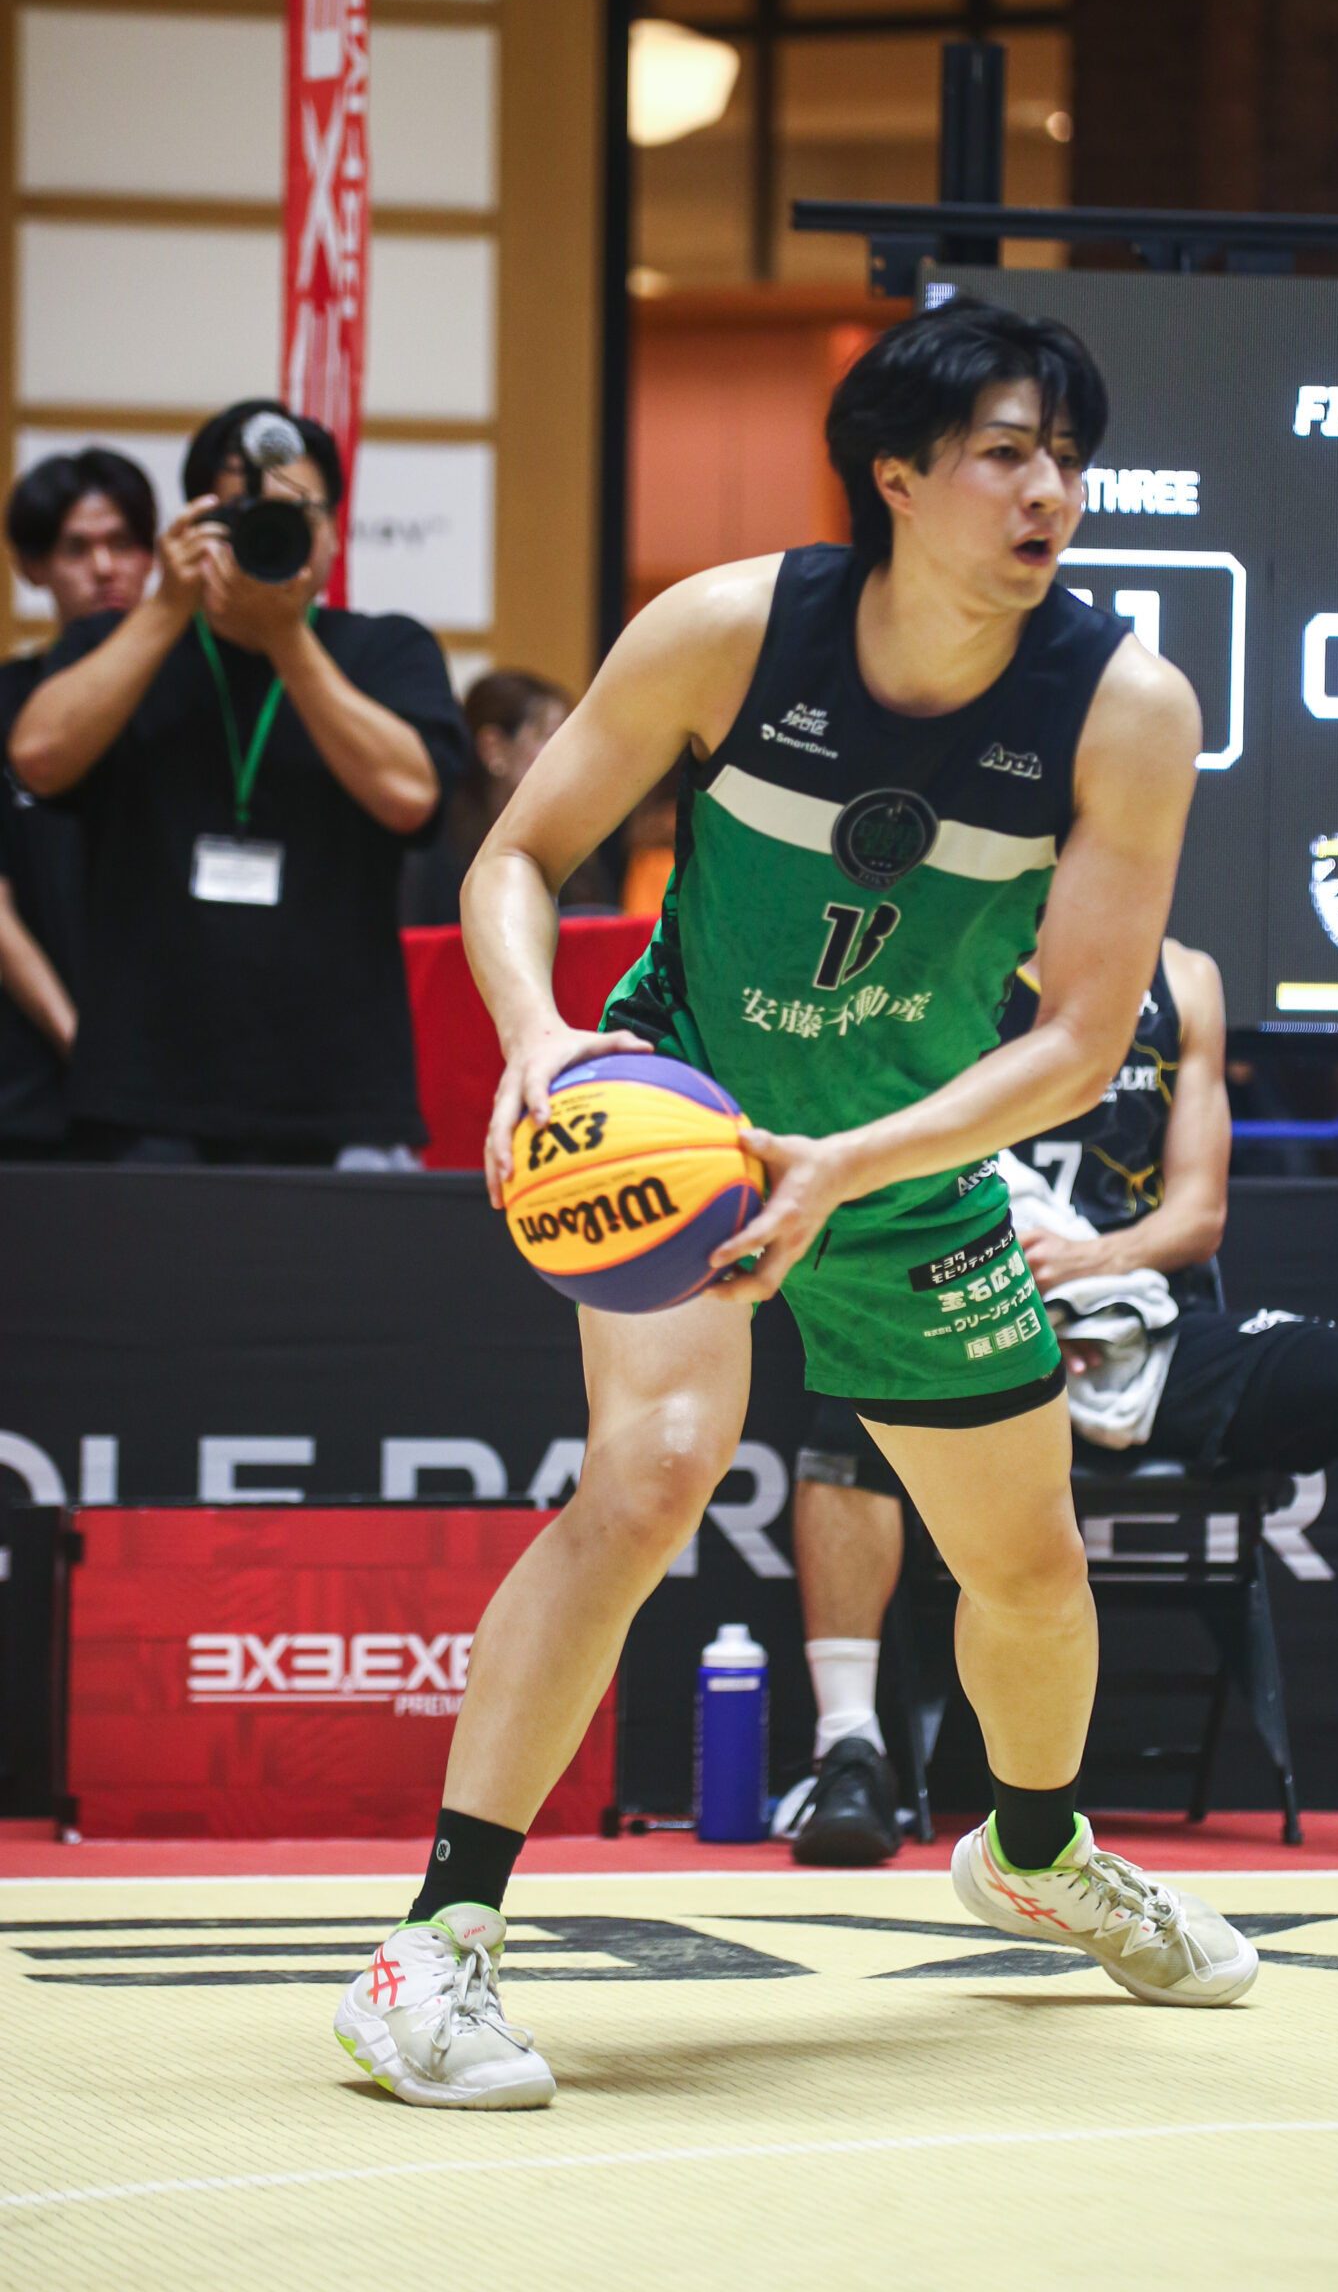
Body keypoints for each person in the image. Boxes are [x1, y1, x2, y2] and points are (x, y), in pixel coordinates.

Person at [331, 293, 1259, 2115]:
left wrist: (851, 1166)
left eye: (1067, 459)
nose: (1047, 491)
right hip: (680, 1122)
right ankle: (429, 1948)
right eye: (1005, 453)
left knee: (1026, 1568)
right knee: (650, 1476)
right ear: (894, 475)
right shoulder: (730, 631)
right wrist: (540, 1041)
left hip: (900, 1165)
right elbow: (516, 856)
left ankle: (1035, 1853)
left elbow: (1079, 1043)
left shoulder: (1124, 706)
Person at [782, 935, 1338, 1871]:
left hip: (1138, 1320)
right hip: (967, 1312)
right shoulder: (938, 946)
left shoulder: (1182, 979)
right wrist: (992, 1277)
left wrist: (1091, 1263)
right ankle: (847, 1754)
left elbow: (1196, 1215)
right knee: (848, 1405)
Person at [6, 400, 469, 1163]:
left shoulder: (386, 649)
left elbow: (410, 798)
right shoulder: (116, 645)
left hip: (336, 1090)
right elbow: (38, 759)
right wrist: (168, 604)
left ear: (333, 531)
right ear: (196, 523)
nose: (271, 531)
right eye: (242, 515)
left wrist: (285, 638)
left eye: (298, 511)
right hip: (142, 1092)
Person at [0, 449, 157, 1156]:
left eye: (122, 543)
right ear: (32, 567)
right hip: (30, 1083)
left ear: (153, 557)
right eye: (76, 548)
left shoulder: (191, 703)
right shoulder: (9, 701)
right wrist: (77, 1039)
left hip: (169, 1085)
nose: (104, 568)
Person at [398, 669, 612, 926]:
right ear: (493, 748)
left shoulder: (570, 841)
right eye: (549, 735)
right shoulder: (436, 853)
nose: (569, 755)